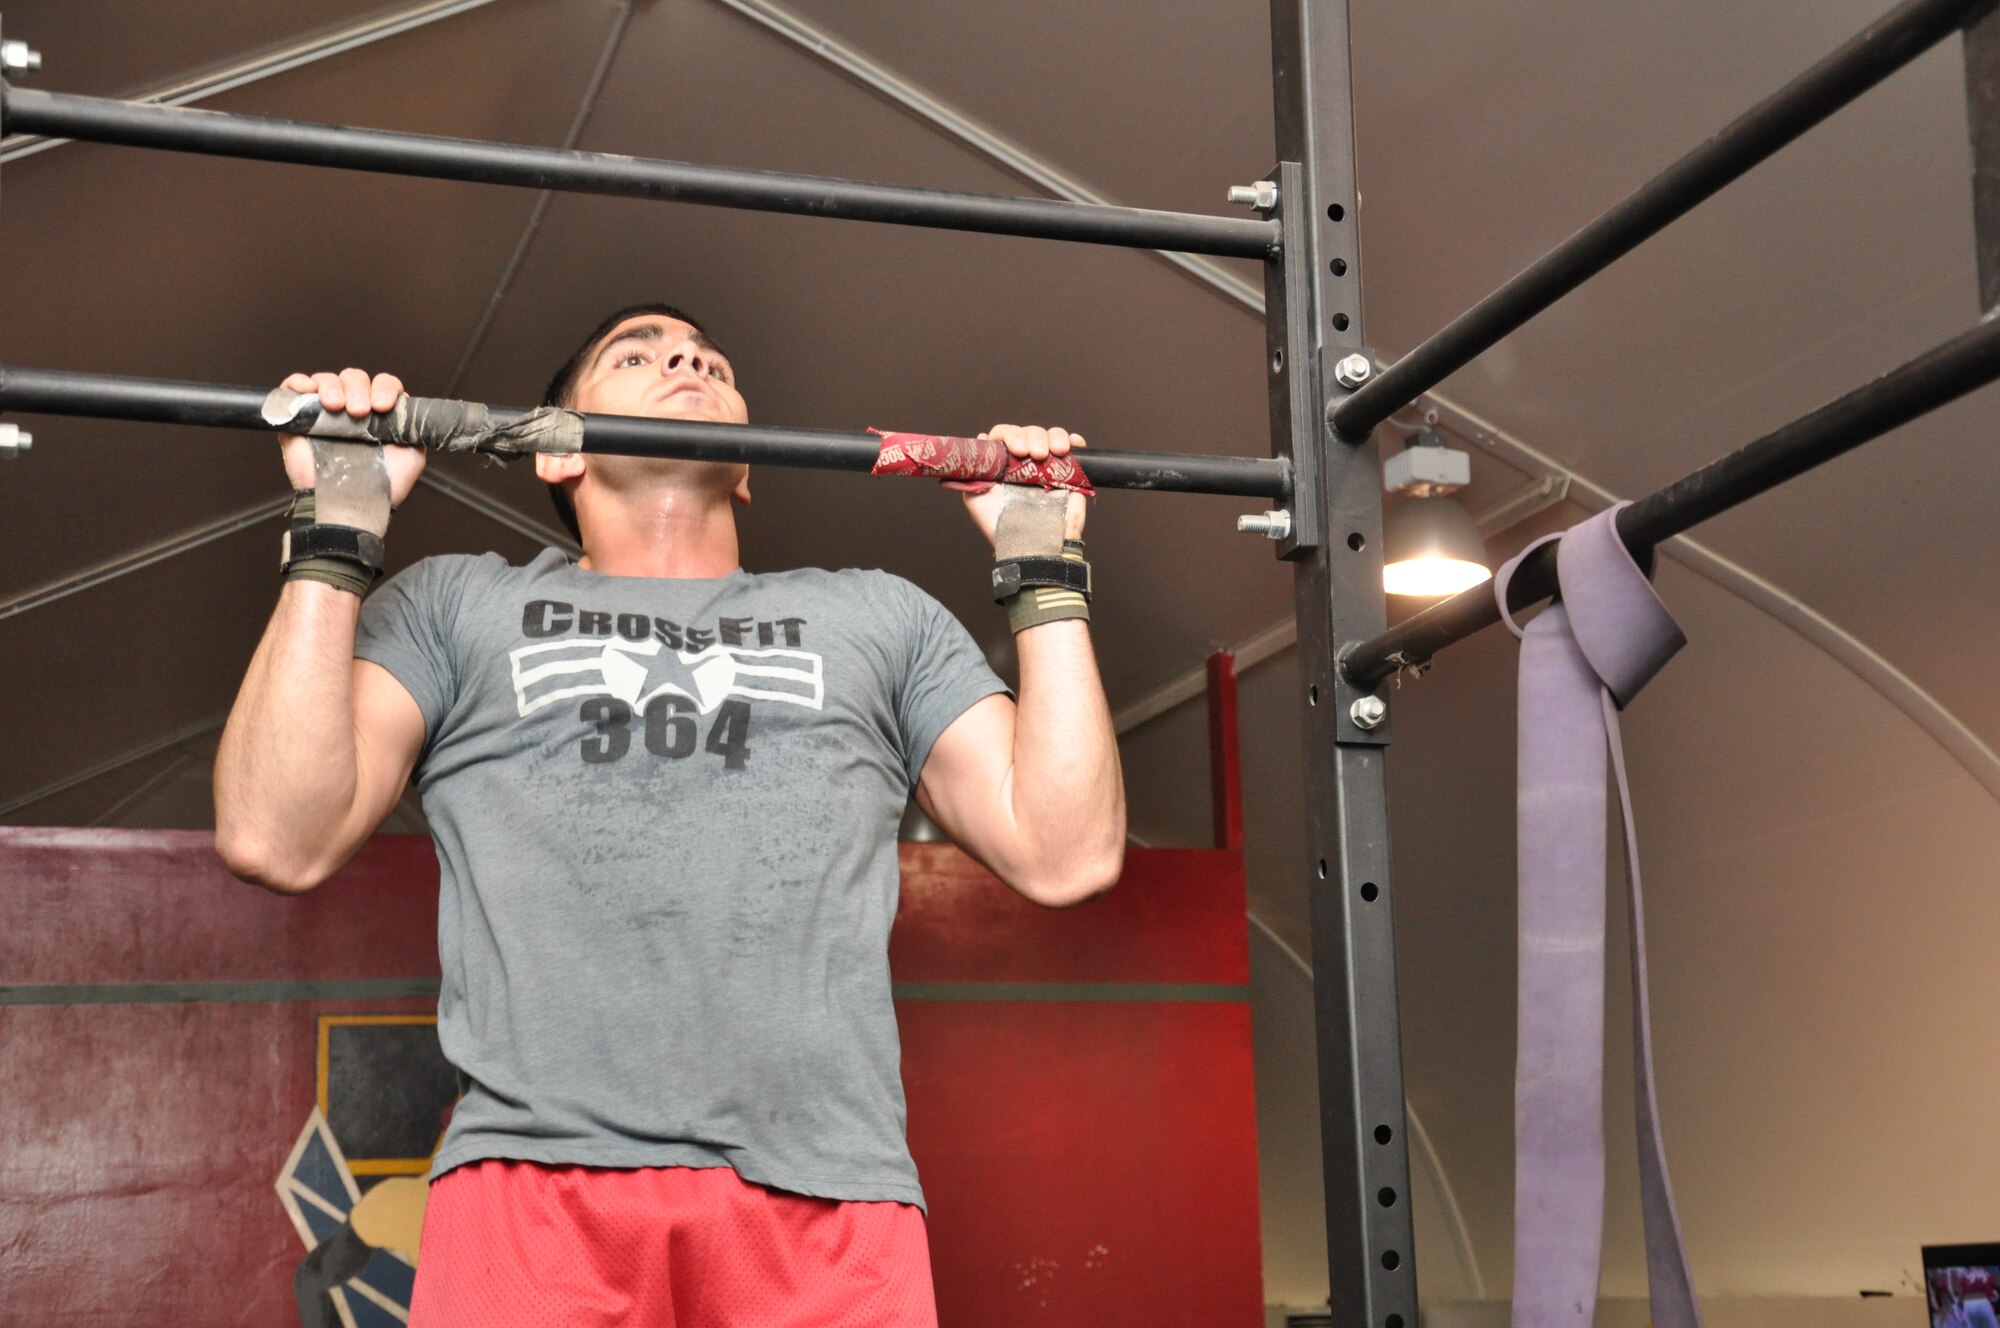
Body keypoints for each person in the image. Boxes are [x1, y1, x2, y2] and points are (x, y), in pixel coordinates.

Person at [213, 303, 1127, 1326]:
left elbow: (1066, 851)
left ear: (745, 467)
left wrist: (1040, 559)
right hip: (533, 1188)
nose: (687, 356)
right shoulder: (455, 608)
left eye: (708, 357)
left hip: (827, 1194)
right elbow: (273, 833)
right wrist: (338, 523)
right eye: (634, 353)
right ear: (555, 453)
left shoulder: (878, 617)